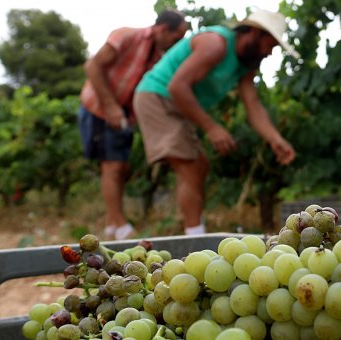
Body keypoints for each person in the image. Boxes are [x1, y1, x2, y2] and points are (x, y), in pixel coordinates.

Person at [133, 9, 298, 235]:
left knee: (200, 164)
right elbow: (177, 87)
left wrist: (275, 139)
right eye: (269, 44)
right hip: (157, 97)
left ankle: (195, 231)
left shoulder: (245, 66)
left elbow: (253, 105)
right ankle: (196, 239)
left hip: (178, 104)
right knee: (189, 166)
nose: (269, 52)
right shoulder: (215, 44)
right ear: (253, 33)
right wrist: (211, 128)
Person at [78, 10, 188, 240]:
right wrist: (109, 106)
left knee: (120, 168)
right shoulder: (126, 36)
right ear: (162, 29)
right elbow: (92, 67)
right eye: (176, 37)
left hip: (123, 116)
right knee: (112, 166)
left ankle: (111, 224)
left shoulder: (159, 57)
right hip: (99, 108)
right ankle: (120, 226)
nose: (177, 44)